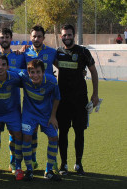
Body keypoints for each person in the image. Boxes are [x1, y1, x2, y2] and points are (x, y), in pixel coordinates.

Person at [55, 24, 99, 176]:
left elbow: (93, 71)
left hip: (80, 99)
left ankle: (78, 164)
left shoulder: (83, 52)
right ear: (61, 37)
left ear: (74, 35)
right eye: (64, 35)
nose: (67, 37)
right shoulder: (58, 53)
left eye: (69, 35)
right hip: (62, 101)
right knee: (63, 133)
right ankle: (63, 164)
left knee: (79, 132)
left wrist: (95, 95)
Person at [14, 59, 61, 181]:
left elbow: (57, 98)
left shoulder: (51, 81)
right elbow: (9, 69)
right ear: (28, 73)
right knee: (27, 138)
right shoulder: (24, 76)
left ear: (43, 72)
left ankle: (49, 170)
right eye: (32, 72)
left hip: (46, 115)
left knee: (54, 138)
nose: (35, 75)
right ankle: (29, 169)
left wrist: (53, 116)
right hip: (29, 114)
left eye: (38, 72)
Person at [0, 28, 26, 174]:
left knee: (14, 134)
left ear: (11, 39)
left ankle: (13, 163)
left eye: (7, 37)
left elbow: (26, 74)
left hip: (13, 104)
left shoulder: (19, 56)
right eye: (2, 37)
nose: (4, 39)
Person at [21, 25, 58, 172]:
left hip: (47, 102)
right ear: (30, 38)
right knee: (30, 133)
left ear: (44, 38)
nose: (36, 39)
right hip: (30, 100)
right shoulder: (25, 53)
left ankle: (52, 163)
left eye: (39, 36)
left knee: (53, 135)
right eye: (34, 36)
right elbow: (15, 68)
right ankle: (32, 162)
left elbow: (61, 65)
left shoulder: (52, 52)